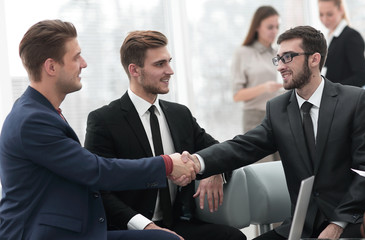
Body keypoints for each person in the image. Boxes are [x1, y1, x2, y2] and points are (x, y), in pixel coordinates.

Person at [0, 19, 197, 240]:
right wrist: (167, 164)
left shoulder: (38, 111)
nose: (83, 63)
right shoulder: (32, 120)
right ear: (51, 67)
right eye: (76, 57)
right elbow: (95, 170)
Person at [186, 25, 365, 239]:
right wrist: (198, 162)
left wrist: (337, 224)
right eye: (278, 59)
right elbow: (243, 146)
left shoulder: (354, 101)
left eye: (288, 57)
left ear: (314, 59)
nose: (280, 67)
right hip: (300, 226)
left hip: (350, 222)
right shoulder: (278, 108)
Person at [84, 30, 246, 240]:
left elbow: (220, 151)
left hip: (178, 223)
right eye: (160, 64)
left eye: (169, 62)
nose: (170, 71)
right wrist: (147, 227)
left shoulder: (180, 114)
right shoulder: (104, 120)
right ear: (134, 70)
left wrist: (215, 171)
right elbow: (98, 189)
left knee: (234, 237)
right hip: (132, 229)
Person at [232, 5, 283, 134]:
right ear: (257, 27)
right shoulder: (242, 53)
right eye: (270, 27)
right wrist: (265, 88)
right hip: (255, 119)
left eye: (277, 27)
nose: (275, 31)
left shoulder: (278, 53)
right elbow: (237, 95)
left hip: (279, 115)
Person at [318, 0, 365, 87]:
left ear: (341, 9)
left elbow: (362, 77)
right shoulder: (329, 36)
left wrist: (330, 89)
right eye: (321, 14)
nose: (324, 19)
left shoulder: (351, 36)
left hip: (345, 99)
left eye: (329, 14)